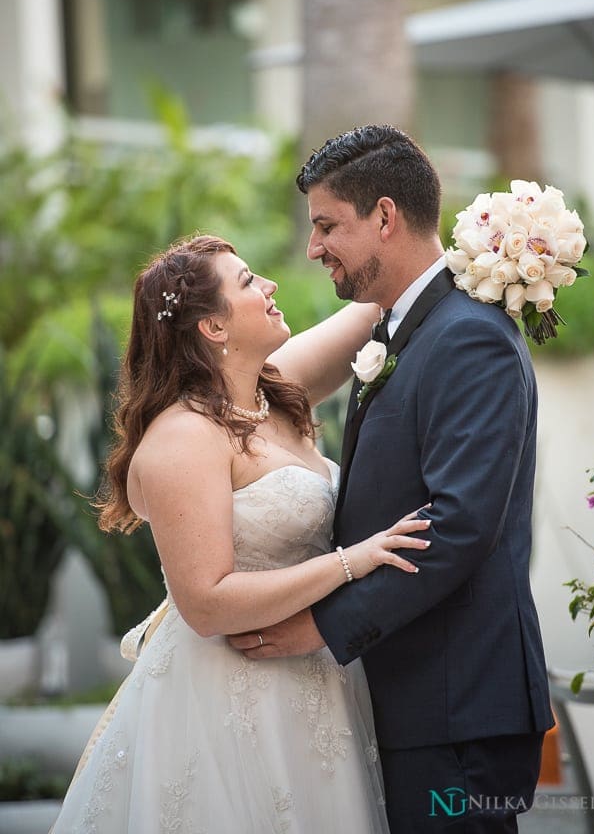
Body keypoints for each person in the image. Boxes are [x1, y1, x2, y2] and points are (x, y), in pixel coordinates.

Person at [229, 126, 555, 833]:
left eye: (325, 226)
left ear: (383, 216)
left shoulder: (467, 335)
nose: (313, 248)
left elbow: (459, 523)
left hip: (458, 706)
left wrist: (320, 624)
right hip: (418, 699)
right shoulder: (400, 329)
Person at [51, 233, 433, 834]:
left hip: (318, 674)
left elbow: (373, 306)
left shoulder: (272, 391)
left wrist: (490, 249)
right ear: (214, 328)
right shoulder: (183, 438)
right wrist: (350, 564)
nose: (271, 285)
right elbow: (204, 602)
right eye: (251, 281)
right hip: (228, 693)